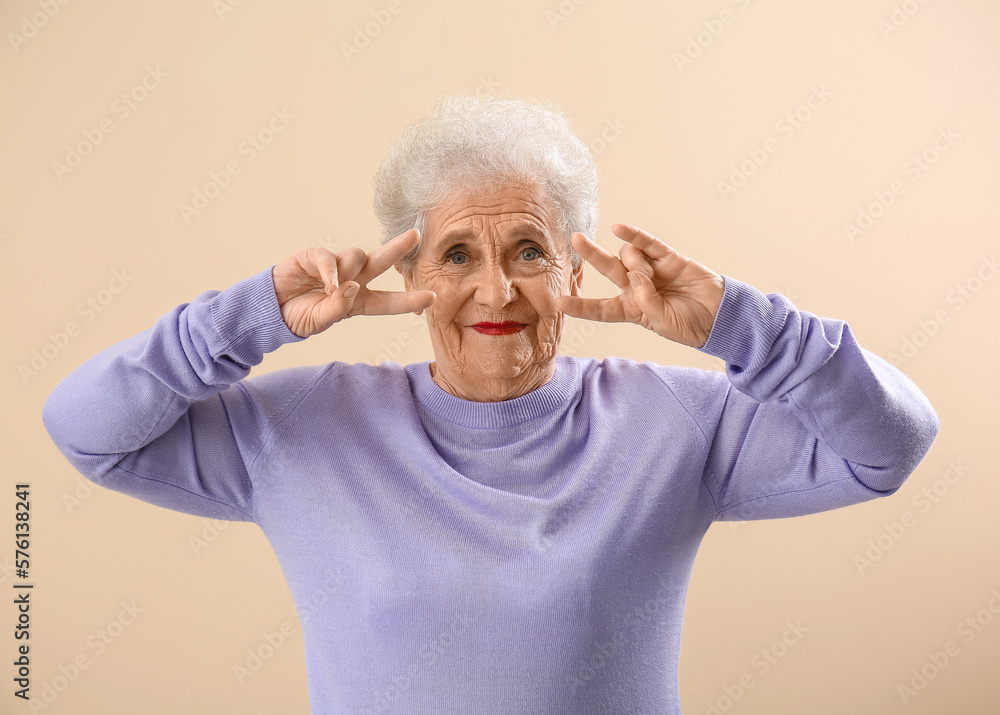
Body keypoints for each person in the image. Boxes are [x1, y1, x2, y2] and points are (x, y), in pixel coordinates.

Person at [42, 94, 939, 714]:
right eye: (459, 255)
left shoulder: (672, 419)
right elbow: (86, 429)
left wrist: (743, 325)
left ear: (575, 269)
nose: (497, 289)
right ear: (409, 274)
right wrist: (249, 317)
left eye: (529, 250)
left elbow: (892, 443)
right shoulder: (308, 425)